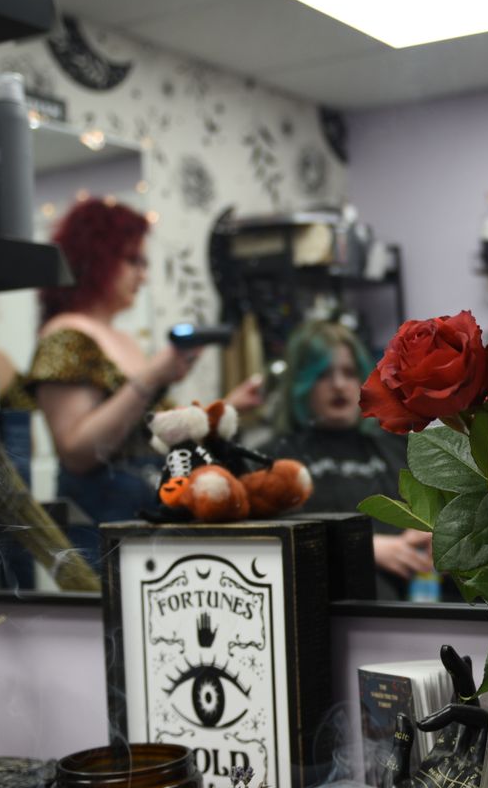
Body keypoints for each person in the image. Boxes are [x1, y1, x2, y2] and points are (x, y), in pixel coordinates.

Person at [23, 197, 259, 561]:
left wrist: (227, 406)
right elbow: (77, 452)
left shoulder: (124, 340)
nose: (143, 275)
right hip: (104, 527)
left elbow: (148, 434)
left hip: (149, 518)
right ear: (95, 258)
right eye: (133, 261)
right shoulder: (66, 335)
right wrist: (152, 376)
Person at [267, 320, 433, 599]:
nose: (339, 385)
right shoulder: (277, 459)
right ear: (301, 383)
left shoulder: (400, 446)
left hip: (416, 595)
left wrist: (434, 536)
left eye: (348, 372)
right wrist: (366, 548)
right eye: (323, 375)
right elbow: (276, 543)